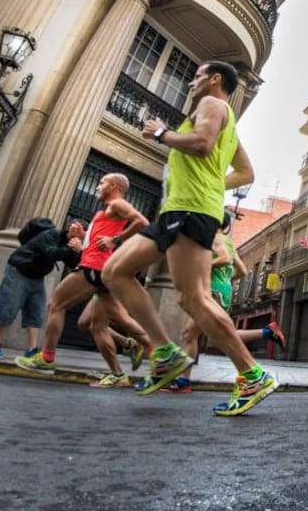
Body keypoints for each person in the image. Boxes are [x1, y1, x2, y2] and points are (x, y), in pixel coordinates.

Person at [101, 61, 276, 417]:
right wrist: (212, 186)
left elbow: (201, 143)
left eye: (197, 76)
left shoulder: (212, 106)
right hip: (183, 208)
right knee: (117, 271)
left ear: (215, 80)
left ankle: (250, 373)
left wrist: (161, 133)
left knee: (192, 298)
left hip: (189, 210)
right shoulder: (223, 118)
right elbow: (246, 173)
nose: (191, 82)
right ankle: (165, 352)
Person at [14, 174, 150, 387]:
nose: (98, 187)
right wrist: (84, 234)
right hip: (101, 269)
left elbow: (142, 222)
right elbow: (98, 240)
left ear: (113, 186)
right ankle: (130, 363)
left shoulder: (117, 203)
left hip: (94, 268)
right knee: (95, 324)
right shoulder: (106, 210)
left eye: (102, 183)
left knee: (56, 304)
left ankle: (47, 357)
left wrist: (116, 240)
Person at [163, 214, 286, 393]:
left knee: (189, 335)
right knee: (215, 335)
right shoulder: (227, 241)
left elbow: (224, 259)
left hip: (212, 291)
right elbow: (242, 270)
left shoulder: (215, 237)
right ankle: (267, 331)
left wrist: (202, 269)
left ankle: (183, 382)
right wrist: (226, 281)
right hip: (222, 291)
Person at [0, 219, 85, 360]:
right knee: (7, 306)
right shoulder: (51, 235)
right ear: (69, 228)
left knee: (36, 311)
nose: (76, 233)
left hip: (37, 276)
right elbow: (50, 253)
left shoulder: (69, 244)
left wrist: (78, 251)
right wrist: (69, 248)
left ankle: (31, 349)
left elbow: (73, 264)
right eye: (75, 229)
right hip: (19, 270)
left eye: (80, 232)